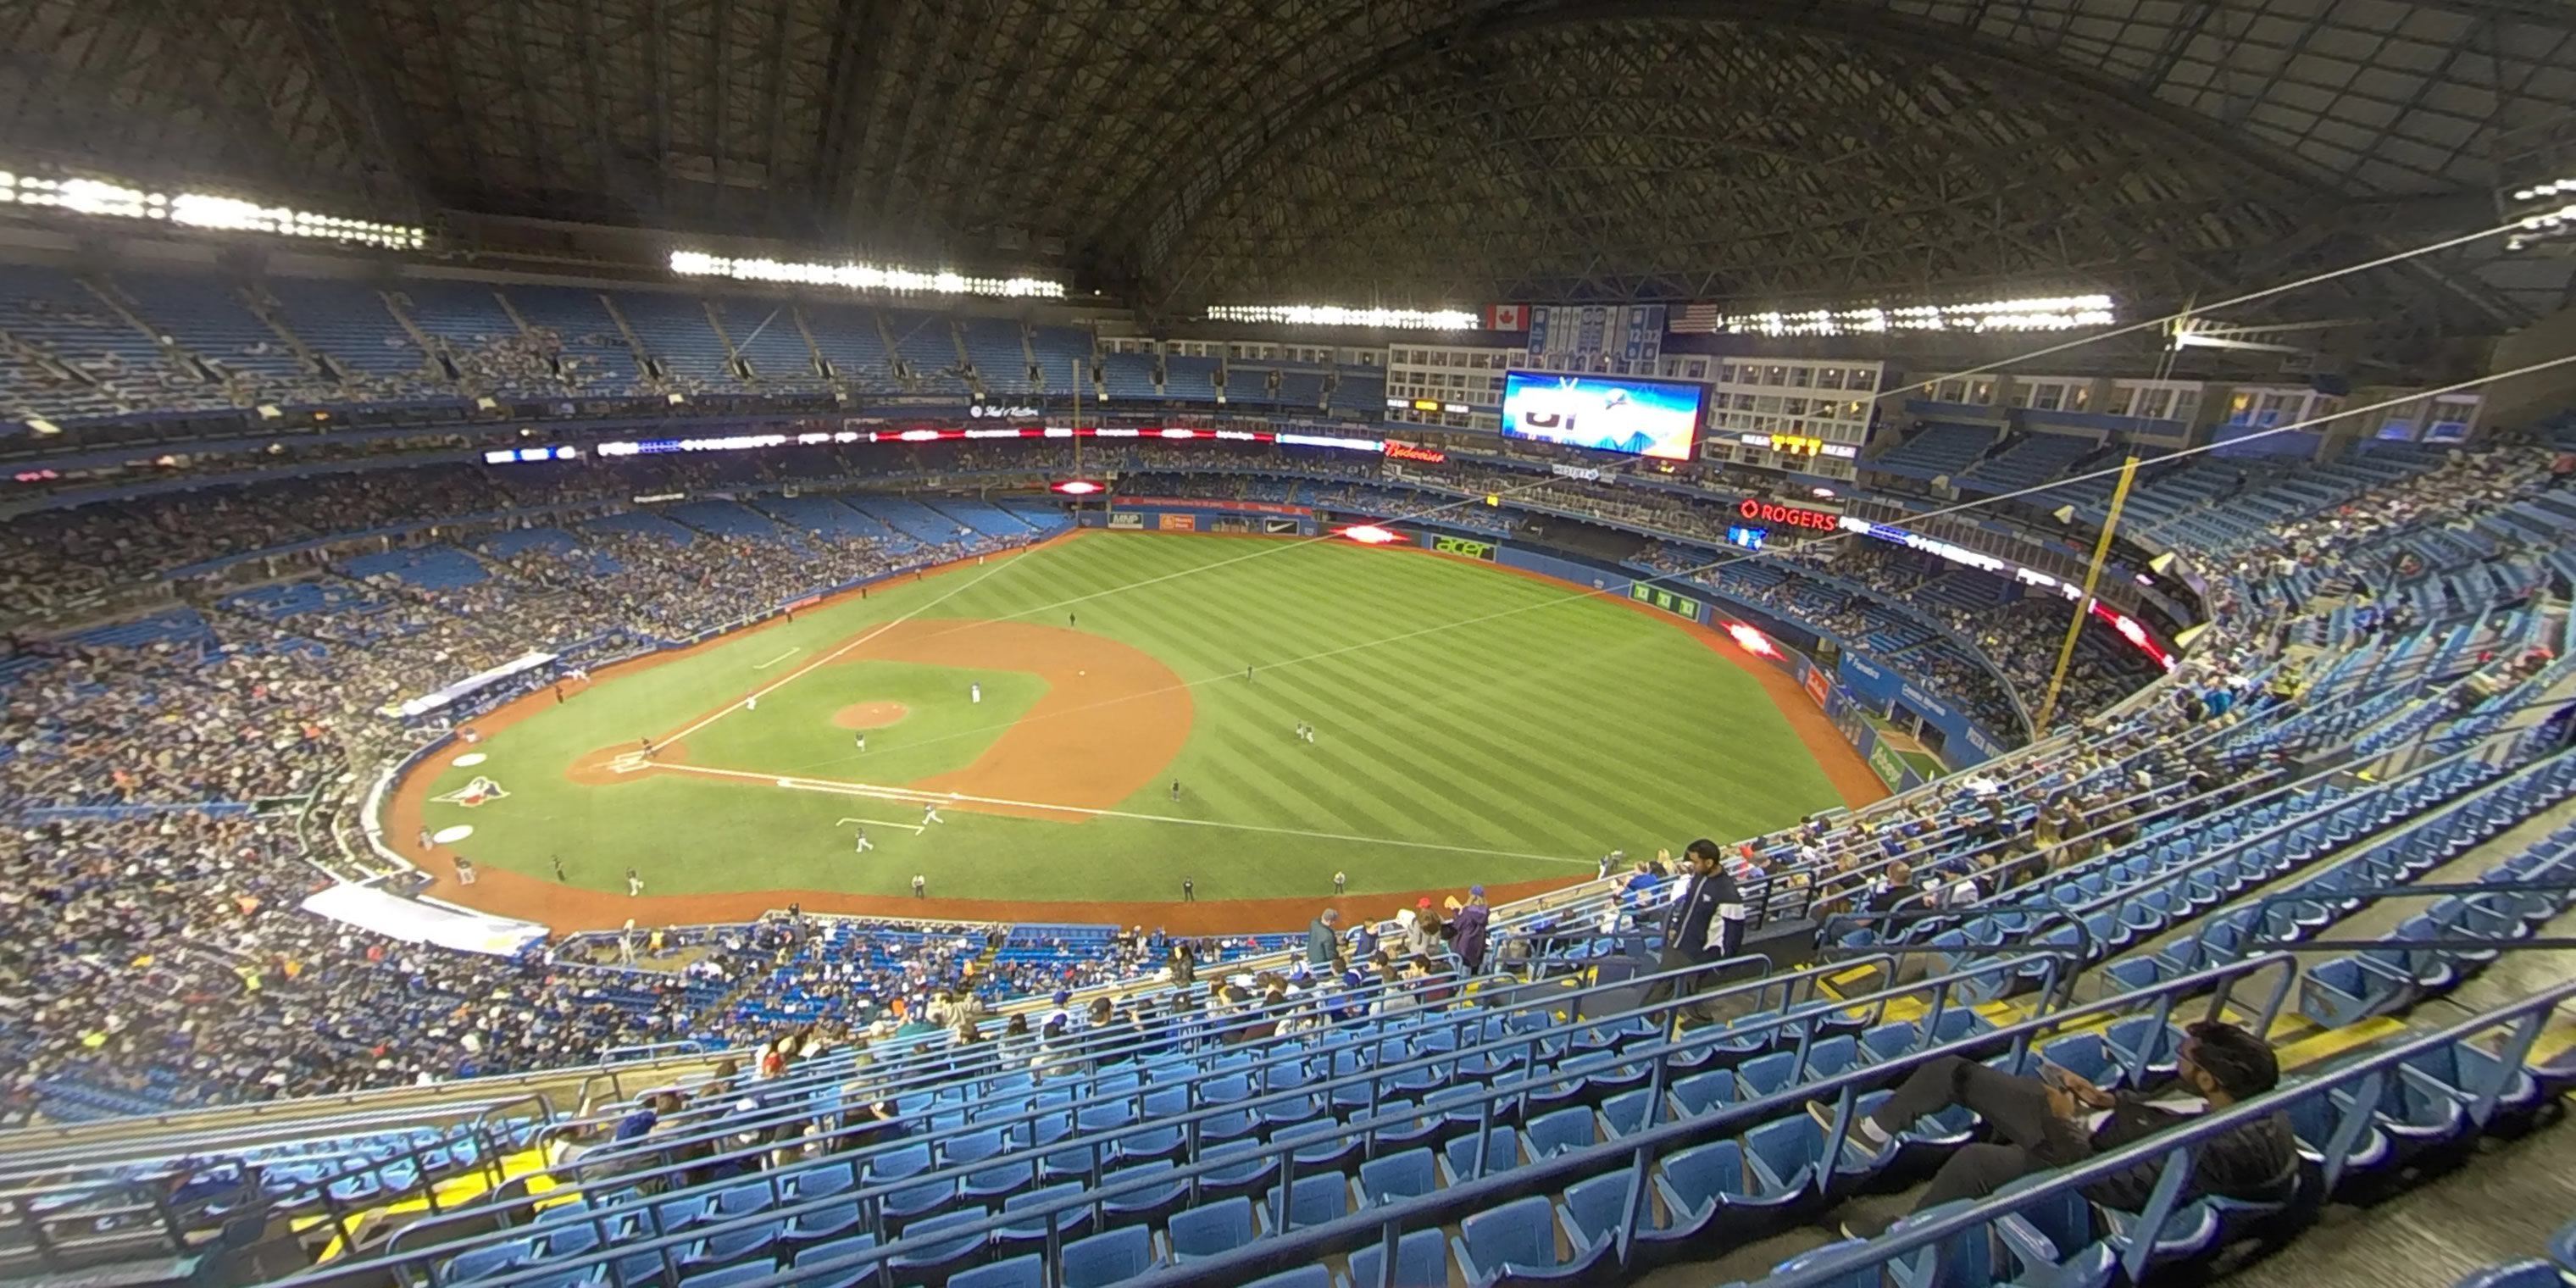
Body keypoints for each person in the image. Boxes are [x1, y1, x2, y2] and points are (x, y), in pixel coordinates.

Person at [1819, 1020, 2297, 1232]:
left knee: (1975, 1162)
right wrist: (2106, 1099)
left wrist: (2067, 1122)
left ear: (2210, 1079)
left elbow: (2111, 1185)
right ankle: (1872, 1133)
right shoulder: (2238, 1099)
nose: (2177, 1059)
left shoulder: (2216, 1145)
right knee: (1952, 1070)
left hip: (2081, 1159)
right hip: (2093, 1125)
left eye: (2186, 1057)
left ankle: (1903, 1237)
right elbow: (2159, 1110)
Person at [1638, 840, 1746, 1017]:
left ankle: (1646, 1025)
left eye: (1696, 862)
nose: (1693, 866)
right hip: (1680, 942)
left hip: (1698, 951)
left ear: (1709, 863)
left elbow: (1734, 931)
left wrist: (1724, 960)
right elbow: (1689, 907)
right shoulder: (1698, 878)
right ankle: (1650, 1022)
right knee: (1666, 988)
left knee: (1674, 992)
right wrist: (1676, 926)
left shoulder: (1727, 893)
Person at [1451, 885, 1492, 974]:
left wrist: (1455, 912)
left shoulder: (1467, 911)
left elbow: (1458, 925)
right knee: (1473, 966)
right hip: (1479, 943)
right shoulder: (1486, 910)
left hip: (1465, 943)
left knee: (1462, 967)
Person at [1307, 908, 1342, 972]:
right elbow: (1330, 955)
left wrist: (1334, 940)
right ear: (1329, 921)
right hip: (1321, 964)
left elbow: (1318, 920)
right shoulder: (1328, 936)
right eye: (1334, 921)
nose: (1334, 922)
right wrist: (1339, 955)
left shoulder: (1314, 923)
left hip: (1311, 956)